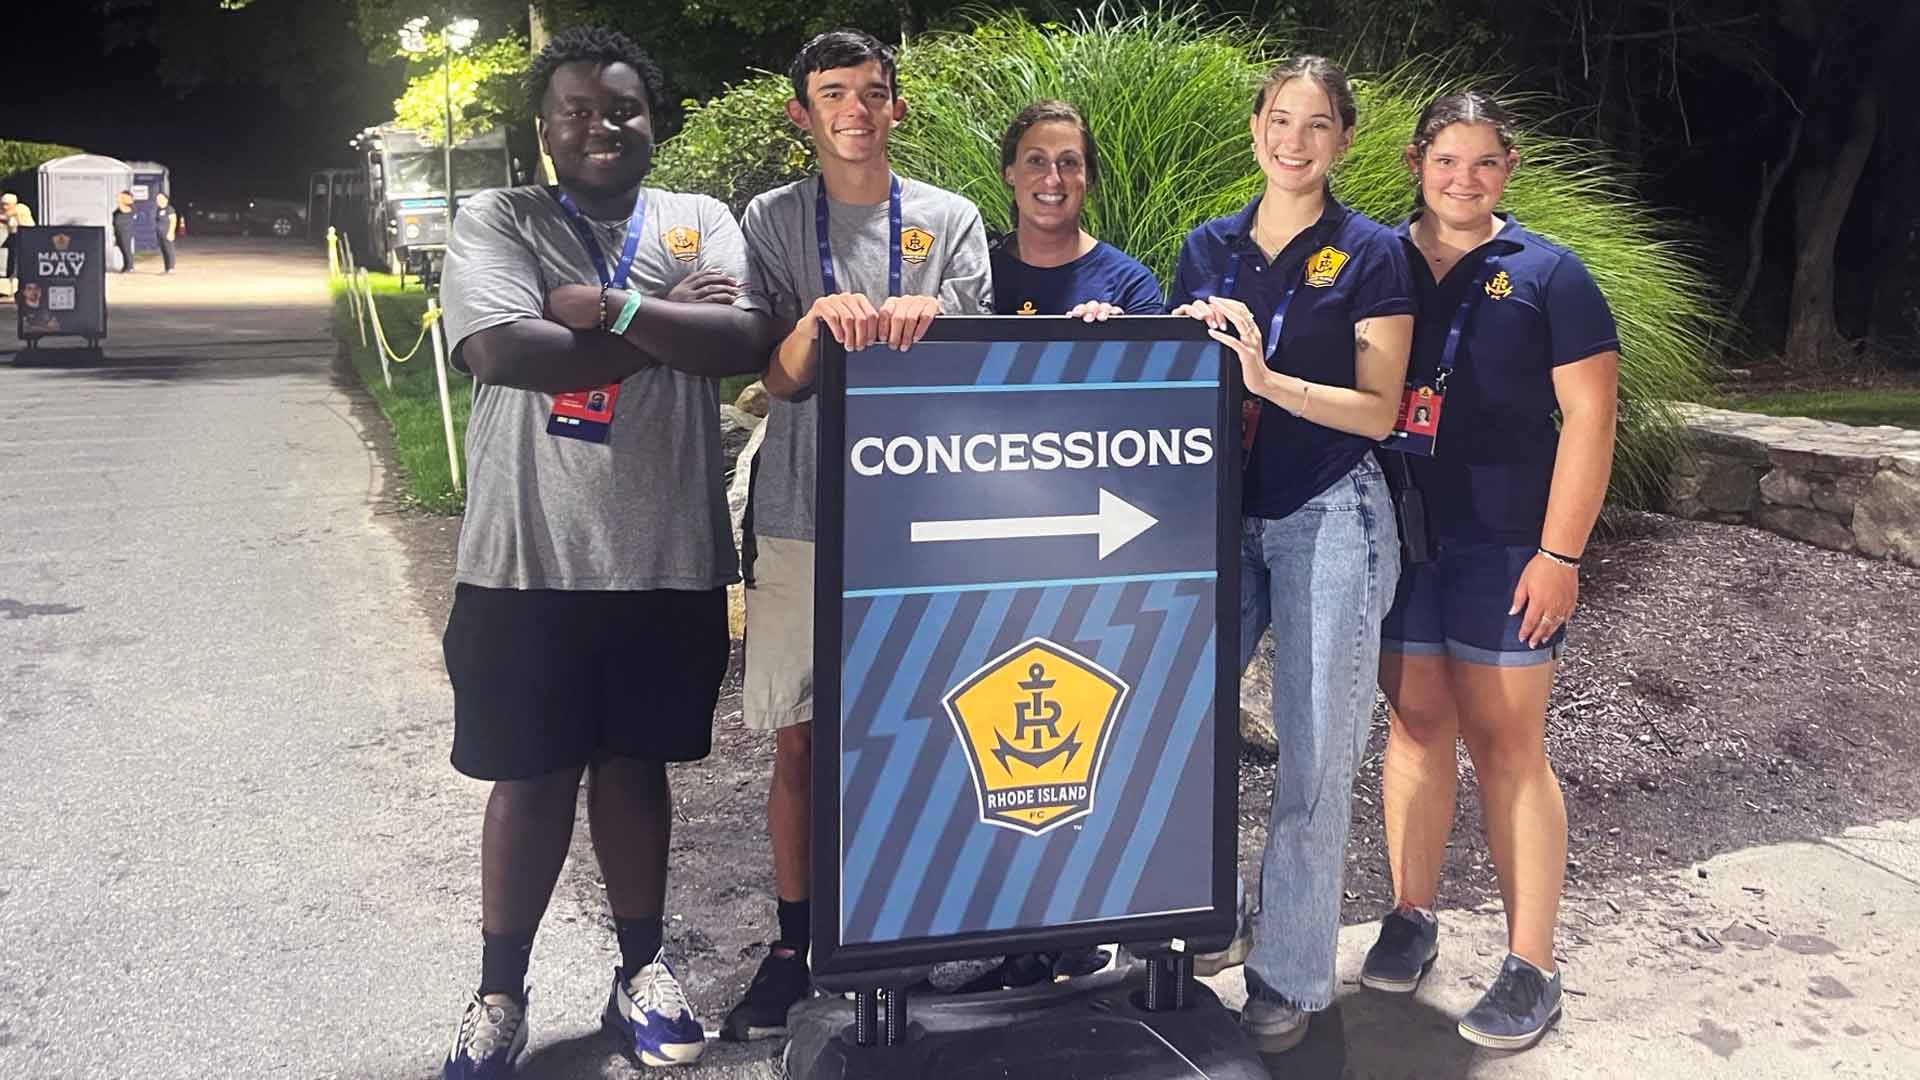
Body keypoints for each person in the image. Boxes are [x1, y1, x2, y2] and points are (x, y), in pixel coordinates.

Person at [434, 25, 774, 1077]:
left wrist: (612, 307)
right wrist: (665, 324)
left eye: (620, 108)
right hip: (522, 557)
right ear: (544, 129)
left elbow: (742, 343)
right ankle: (500, 995)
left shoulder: (697, 219)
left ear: (652, 122)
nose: (599, 126)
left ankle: (641, 975)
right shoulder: (498, 217)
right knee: (527, 777)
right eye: (576, 109)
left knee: (636, 772)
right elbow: (505, 352)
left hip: (666, 554)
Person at [723, 27, 993, 1043]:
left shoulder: (950, 219)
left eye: (873, 91)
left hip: (923, 518)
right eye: (833, 92)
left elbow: (977, 367)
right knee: (798, 740)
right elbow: (772, 374)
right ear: (803, 111)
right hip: (802, 511)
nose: (854, 108)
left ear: (897, 107)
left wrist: (938, 323)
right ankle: (797, 946)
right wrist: (812, 324)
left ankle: (907, 929)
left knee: (921, 732)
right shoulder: (770, 220)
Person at [1169, 55, 1414, 1053]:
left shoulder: (1370, 253)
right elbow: (1183, 381)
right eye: (1281, 119)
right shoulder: (1208, 247)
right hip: (1223, 515)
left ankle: (1293, 972)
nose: (1296, 140)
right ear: (1257, 127)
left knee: (1315, 757)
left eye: (1318, 125)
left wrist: (1264, 378)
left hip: (1329, 511)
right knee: (1173, 725)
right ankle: (1207, 911)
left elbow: (1379, 408)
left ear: (1342, 141)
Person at [1365, 90, 1618, 1052]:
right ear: (1414, 164)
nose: (1463, 181)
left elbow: (1591, 422)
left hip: (1510, 542)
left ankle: (1532, 965)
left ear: (1506, 170)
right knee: (1417, 721)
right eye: (1445, 162)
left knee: (1508, 743)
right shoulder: (1377, 259)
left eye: (1483, 163)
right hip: (1399, 534)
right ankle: (1412, 913)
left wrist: (1561, 555)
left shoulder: (1551, 274)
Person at [990, 99, 1162, 320]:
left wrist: (1111, 339)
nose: (1053, 179)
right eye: (1036, 160)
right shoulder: (977, 273)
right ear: (1009, 172)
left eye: (1068, 162)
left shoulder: (1129, 285)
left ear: (1088, 178)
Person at [2, 192, 33, 298]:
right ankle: (10, 287)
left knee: (19, 264)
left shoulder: (20, 208)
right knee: (11, 262)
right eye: (2, 204)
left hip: (27, 238)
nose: (4, 207)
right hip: (16, 238)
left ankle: (17, 287)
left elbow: (5, 216)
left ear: (13, 203)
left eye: (6, 204)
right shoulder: (10, 212)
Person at [153, 192, 178, 273]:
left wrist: (171, 232)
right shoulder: (158, 210)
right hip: (160, 234)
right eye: (157, 199)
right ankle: (166, 268)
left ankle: (171, 268)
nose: (158, 200)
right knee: (164, 250)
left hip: (167, 233)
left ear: (166, 199)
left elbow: (173, 221)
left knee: (169, 250)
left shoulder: (169, 209)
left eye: (160, 199)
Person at [112, 191, 136, 273]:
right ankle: (126, 266)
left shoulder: (131, 207)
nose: (122, 199)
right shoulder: (120, 207)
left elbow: (123, 209)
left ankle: (130, 267)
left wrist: (119, 200)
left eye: (124, 197)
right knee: (122, 249)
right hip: (119, 231)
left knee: (126, 249)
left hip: (126, 231)